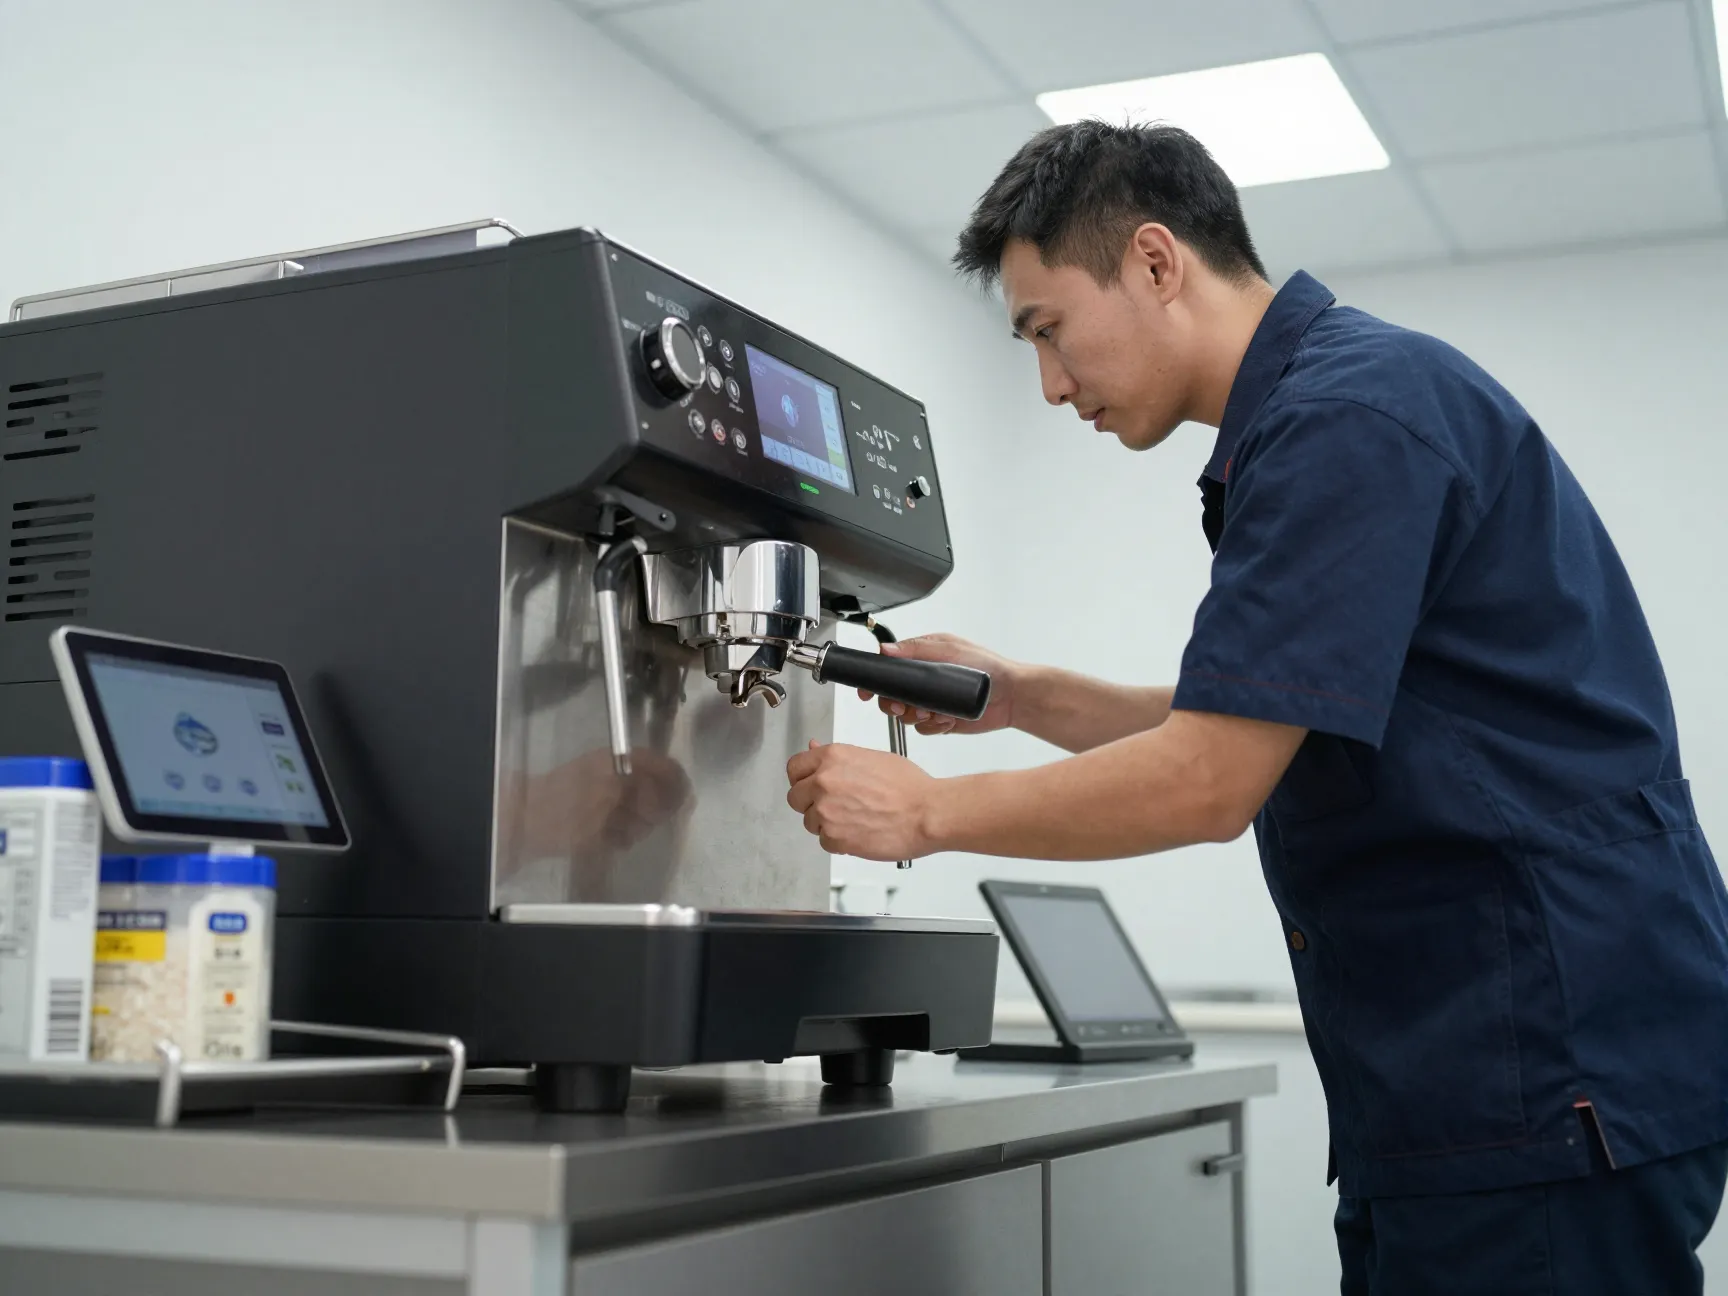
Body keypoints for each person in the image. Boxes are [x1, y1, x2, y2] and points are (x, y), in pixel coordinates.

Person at [784, 121, 1728, 1294]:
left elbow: (1211, 777)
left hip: (1539, 1074)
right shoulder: (1341, 401)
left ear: (1155, 262)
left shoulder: (1346, 418)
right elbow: (1265, 712)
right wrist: (1024, 698)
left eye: (1049, 330)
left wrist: (927, 813)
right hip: (1481, 1079)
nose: (1050, 383)